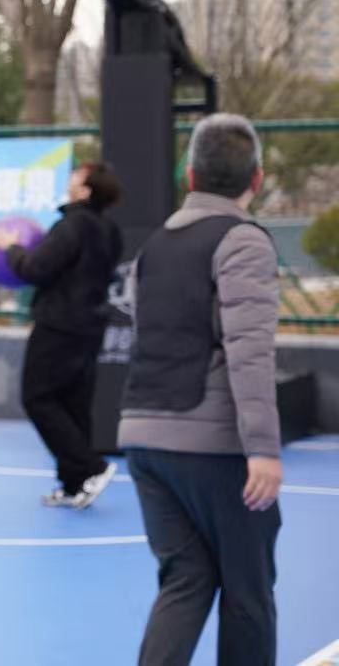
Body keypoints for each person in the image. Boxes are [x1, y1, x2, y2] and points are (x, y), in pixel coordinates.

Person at [120, 114, 282, 666]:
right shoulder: (244, 241)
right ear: (256, 179)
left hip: (144, 436)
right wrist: (262, 448)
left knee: (185, 578)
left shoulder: (154, 246)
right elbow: (249, 352)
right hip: (213, 445)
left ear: (190, 176)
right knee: (247, 589)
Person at [0, 161, 126, 508]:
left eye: (76, 176)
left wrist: (11, 248)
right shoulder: (109, 230)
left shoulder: (72, 225)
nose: (70, 179)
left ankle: (91, 467)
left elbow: (35, 268)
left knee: (37, 398)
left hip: (59, 325)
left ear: (85, 190)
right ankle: (73, 484)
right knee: (73, 403)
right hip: (90, 326)